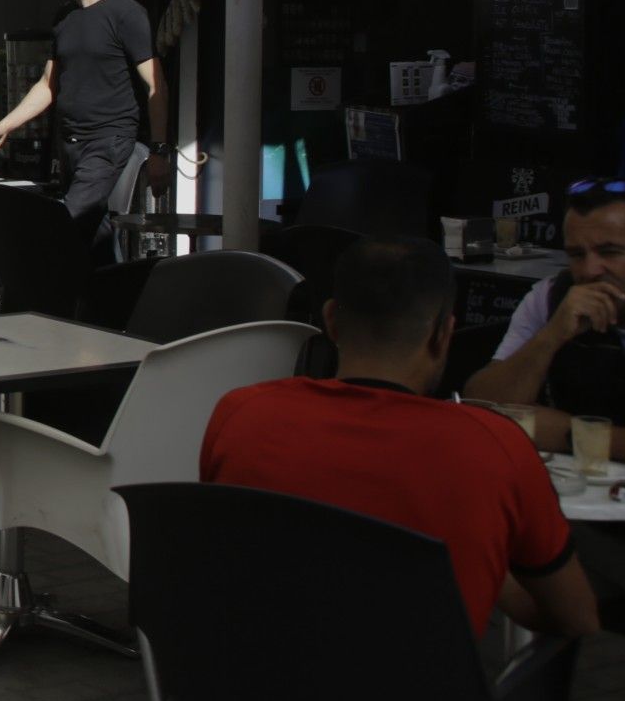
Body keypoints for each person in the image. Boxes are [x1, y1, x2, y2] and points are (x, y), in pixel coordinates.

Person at [202, 238, 597, 640]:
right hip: (425, 700)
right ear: (443, 335)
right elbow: (578, 620)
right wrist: (484, 561)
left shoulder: (241, 416)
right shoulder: (494, 448)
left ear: (332, 319)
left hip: (254, 693)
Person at [0, 0, 170, 233]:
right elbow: (47, 85)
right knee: (93, 232)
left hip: (109, 140)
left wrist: (159, 151)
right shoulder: (65, 18)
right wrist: (4, 126)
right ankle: (110, 279)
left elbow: (156, 85)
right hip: (70, 142)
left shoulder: (126, 14)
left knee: (65, 224)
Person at [464, 179, 625, 444]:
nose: (589, 270)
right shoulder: (551, 296)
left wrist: (575, 434)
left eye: (609, 252)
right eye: (576, 255)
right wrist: (552, 335)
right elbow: (480, 407)